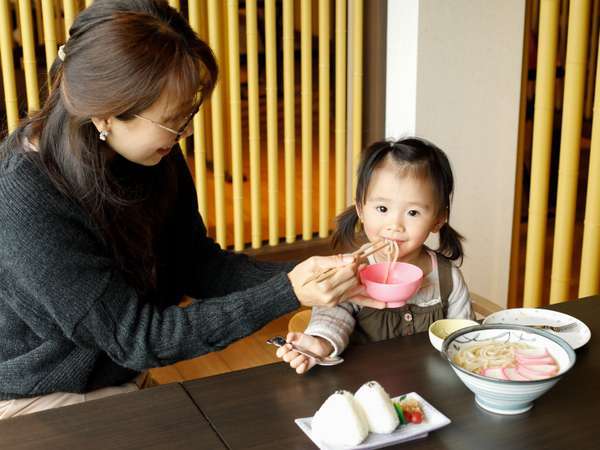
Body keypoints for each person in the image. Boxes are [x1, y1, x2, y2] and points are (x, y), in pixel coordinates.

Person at [0, 0, 375, 418]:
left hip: (119, 375)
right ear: (107, 115)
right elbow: (137, 335)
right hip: (36, 397)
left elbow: (195, 264)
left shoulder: (149, 154)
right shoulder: (26, 197)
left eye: (188, 113)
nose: (186, 131)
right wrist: (286, 291)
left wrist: (323, 271)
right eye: (174, 119)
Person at [277, 138, 474, 374]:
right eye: (382, 209)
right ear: (361, 209)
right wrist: (320, 343)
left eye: (412, 212)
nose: (395, 225)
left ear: (438, 219)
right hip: (363, 386)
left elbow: (464, 341)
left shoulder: (447, 280)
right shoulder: (351, 272)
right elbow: (333, 318)